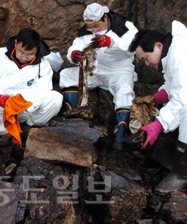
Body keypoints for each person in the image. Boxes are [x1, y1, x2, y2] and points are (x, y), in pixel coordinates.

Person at [128, 20, 187, 194]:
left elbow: (183, 100)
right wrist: (157, 98)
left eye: (145, 58)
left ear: (158, 45)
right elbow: (175, 85)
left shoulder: (183, 56)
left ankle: (180, 174)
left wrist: (158, 125)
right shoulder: (175, 54)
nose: (146, 64)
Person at [59, 3, 138, 151]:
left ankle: (120, 133)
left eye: (96, 26)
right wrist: (74, 55)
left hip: (119, 71)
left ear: (105, 17)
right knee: (66, 75)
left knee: (125, 91)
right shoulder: (87, 31)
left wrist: (111, 43)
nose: (93, 30)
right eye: (90, 27)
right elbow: (75, 46)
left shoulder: (124, 26)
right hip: (94, 69)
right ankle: (74, 117)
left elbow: (132, 47)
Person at [0, 28, 63, 146]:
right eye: (21, 52)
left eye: (29, 54)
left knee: (55, 98)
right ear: (16, 43)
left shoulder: (43, 65)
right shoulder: (0, 55)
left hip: (24, 107)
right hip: (1, 106)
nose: (23, 57)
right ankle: (3, 132)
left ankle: (30, 127)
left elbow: (42, 89)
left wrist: (25, 103)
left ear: (36, 50)